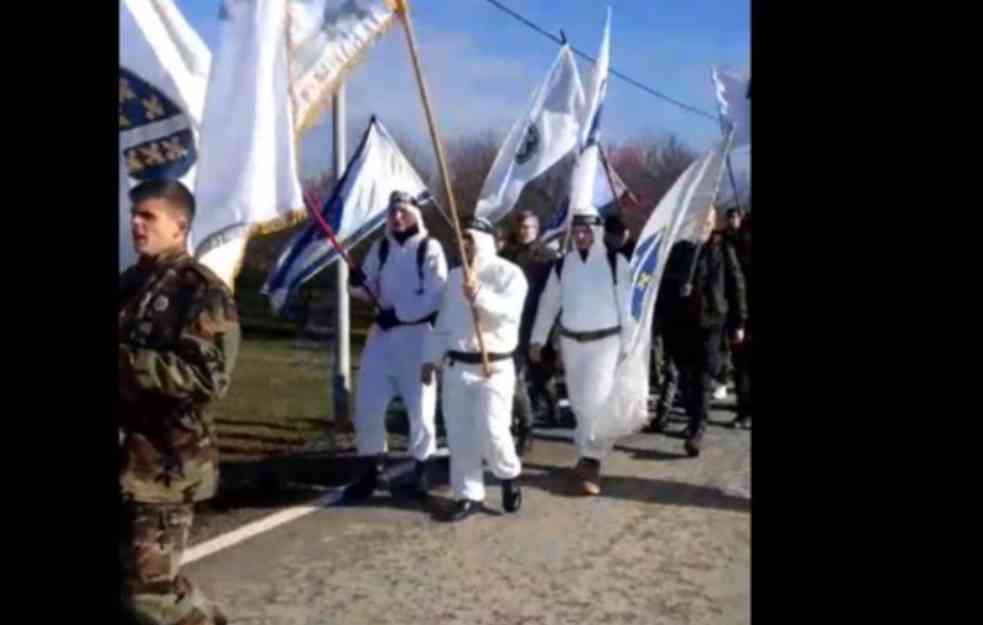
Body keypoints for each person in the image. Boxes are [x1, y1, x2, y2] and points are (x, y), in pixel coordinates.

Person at [119, 179, 240, 625]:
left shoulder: (201, 291)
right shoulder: (130, 283)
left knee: (149, 596)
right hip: (125, 457)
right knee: (129, 586)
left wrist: (127, 362)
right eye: (134, 214)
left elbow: (208, 378)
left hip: (166, 464)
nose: (135, 223)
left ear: (180, 226)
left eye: (147, 216)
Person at [345, 190, 448, 501]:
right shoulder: (381, 248)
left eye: (402, 211)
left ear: (414, 214)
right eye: (392, 213)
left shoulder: (430, 248)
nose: (397, 217)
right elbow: (368, 289)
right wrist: (356, 281)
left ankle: (421, 471)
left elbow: (436, 294)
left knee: (420, 409)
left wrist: (400, 314)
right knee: (368, 404)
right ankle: (371, 469)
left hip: (417, 338)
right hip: (381, 338)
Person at [422, 218, 527, 521]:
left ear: (482, 240)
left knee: (493, 430)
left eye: (467, 238)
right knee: (460, 435)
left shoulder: (509, 274)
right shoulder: (454, 277)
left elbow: (509, 313)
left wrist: (479, 295)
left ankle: (508, 475)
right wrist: (431, 358)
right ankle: (468, 494)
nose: (462, 245)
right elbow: (443, 325)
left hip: (492, 367)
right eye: (458, 240)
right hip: (457, 366)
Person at [530, 212, 632, 495]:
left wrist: (628, 346)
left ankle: (592, 463)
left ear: (598, 232)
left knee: (595, 403)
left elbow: (627, 308)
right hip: (572, 343)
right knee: (578, 404)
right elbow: (549, 303)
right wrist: (538, 339)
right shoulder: (563, 265)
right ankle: (584, 456)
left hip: (606, 343)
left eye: (586, 231)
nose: (581, 236)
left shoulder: (615, 263)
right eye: (577, 232)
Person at [655, 206, 747, 457]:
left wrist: (739, 322)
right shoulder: (680, 250)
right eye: (700, 220)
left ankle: (697, 430)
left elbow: (736, 285)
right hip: (682, 325)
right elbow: (664, 288)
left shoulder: (722, 249)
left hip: (711, 323)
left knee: (703, 378)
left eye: (709, 221)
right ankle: (694, 417)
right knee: (686, 378)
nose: (704, 225)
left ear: (713, 222)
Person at [499, 210, 560, 452]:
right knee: (515, 380)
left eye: (529, 227)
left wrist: (551, 334)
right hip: (512, 325)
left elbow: (554, 297)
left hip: (538, 325)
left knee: (541, 377)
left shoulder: (547, 257)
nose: (524, 231)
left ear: (537, 229)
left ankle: (552, 401)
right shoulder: (505, 256)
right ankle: (526, 429)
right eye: (521, 226)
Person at [724, 208, 751, 429]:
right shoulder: (724, 242)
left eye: (736, 217)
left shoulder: (743, 242)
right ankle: (743, 411)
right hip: (736, 312)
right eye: (730, 217)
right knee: (741, 365)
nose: (733, 221)